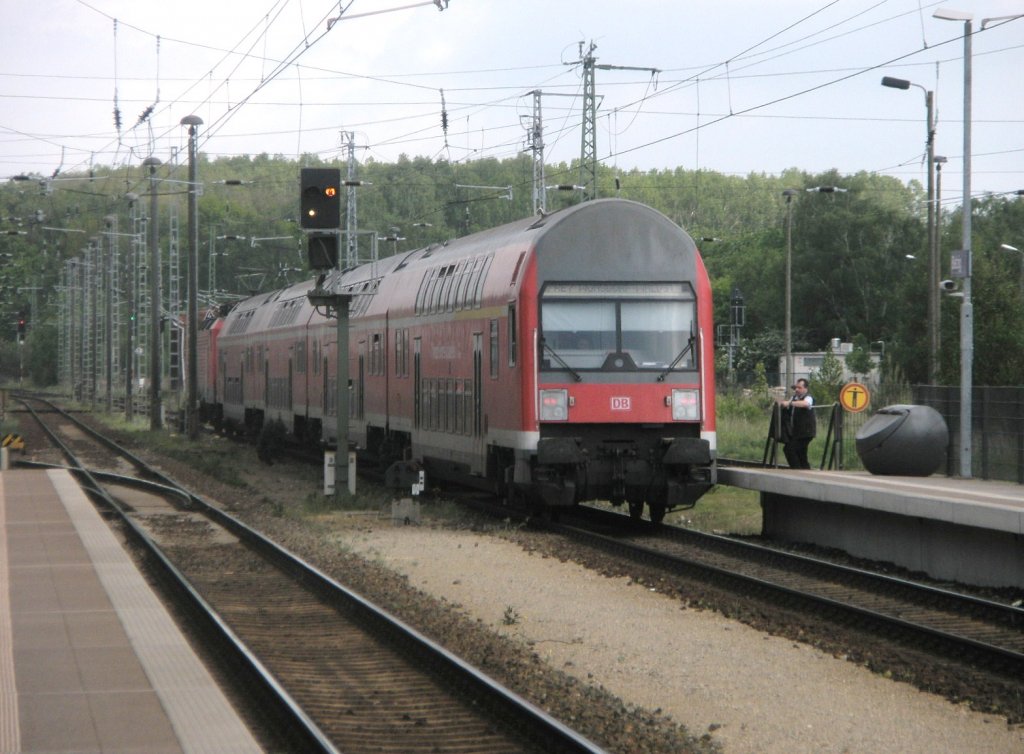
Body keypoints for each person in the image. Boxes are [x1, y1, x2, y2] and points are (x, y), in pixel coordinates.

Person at [779, 378, 816, 469]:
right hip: (796, 432)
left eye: (799, 388)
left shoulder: (808, 397)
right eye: (796, 388)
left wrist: (790, 403)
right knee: (801, 454)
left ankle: (796, 470)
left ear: (805, 389)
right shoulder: (794, 398)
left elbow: (806, 404)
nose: (796, 389)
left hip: (805, 432)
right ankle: (806, 471)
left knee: (789, 449)